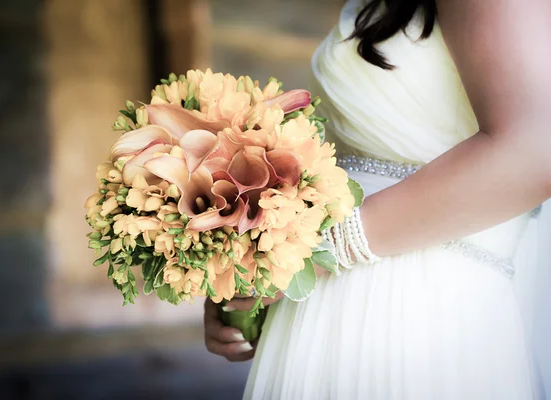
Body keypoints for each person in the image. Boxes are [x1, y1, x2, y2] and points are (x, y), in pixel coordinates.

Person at [204, 0, 551, 398]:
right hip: (328, 304)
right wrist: (243, 257)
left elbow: (536, 150)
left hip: (417, 309)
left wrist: (318, 247)